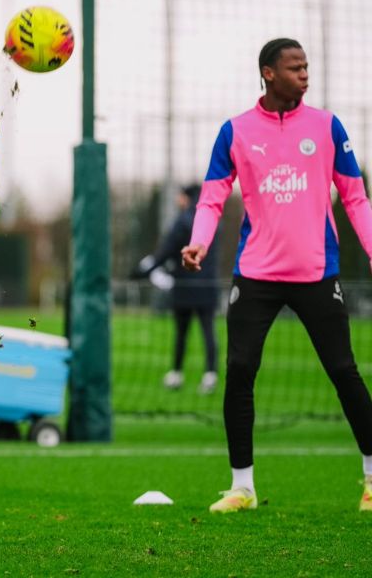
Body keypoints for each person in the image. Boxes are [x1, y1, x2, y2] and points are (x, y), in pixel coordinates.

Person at [181, 38, 372, 513]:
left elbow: (355, 198)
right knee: (240, 371)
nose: (305, 74)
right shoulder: (236, 131)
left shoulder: (328, 127)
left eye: (307, 67)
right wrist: (199, 241)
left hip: (316, 272)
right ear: (268, 73)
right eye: (295, 67)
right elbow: (211, 197)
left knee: (344, 371)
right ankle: (242, 487)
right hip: (257, 274)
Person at [130, 184, 219, 394]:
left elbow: (166, 251)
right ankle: (210, 374)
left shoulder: (182, 221)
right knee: (208, 331)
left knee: (182, 333)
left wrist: (140, 272)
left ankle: (177, 374)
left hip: (185, 287)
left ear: (185, 197)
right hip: (208, 286)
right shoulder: (214, 221)